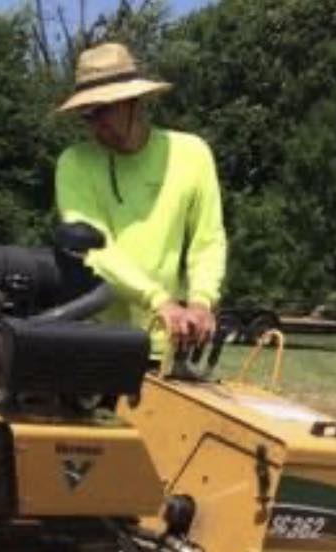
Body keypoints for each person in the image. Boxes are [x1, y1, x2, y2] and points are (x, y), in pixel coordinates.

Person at [55, 42, 227, 355]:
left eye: (103, 109)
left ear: (133, 102)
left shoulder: (192, 154)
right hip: (95, 342)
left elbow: (208, 241)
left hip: (167, 345)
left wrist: (202, 301)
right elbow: (96, 250)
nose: (95, 124)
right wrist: (158, 300)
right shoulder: (74, 163)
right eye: (86, 115)